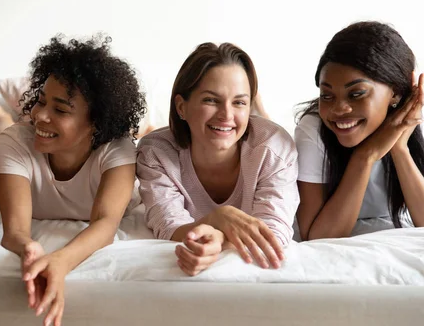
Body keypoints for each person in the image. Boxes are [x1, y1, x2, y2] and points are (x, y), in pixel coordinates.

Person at [0, 35, 146, 326]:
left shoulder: (117, 148)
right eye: (40, 101)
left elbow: (105, 224)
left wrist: (61, 261)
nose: (40, 115)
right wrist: (29, 248)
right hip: (9, 141)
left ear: (96, 123)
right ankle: (0, 117)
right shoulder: (16, 141)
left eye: (60, 110)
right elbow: (13, 231)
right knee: (3, 132)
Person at [137, 42, 299, 276]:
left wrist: (219, 234)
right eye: (211, 100)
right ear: (181, 107)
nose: (226, 115)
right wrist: (218, 218)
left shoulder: (274, 148)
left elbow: (273, 233)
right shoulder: (156, 152)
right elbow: (169, 226)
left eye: (239, 102)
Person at [295, 21, 424, 240]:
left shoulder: (414, 119)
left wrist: (399, 147)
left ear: (396, 92)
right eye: (327, 96)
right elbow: (316, 237)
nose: (338, 109)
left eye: (356, 94)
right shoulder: (313, 130)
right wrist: (366, 156)